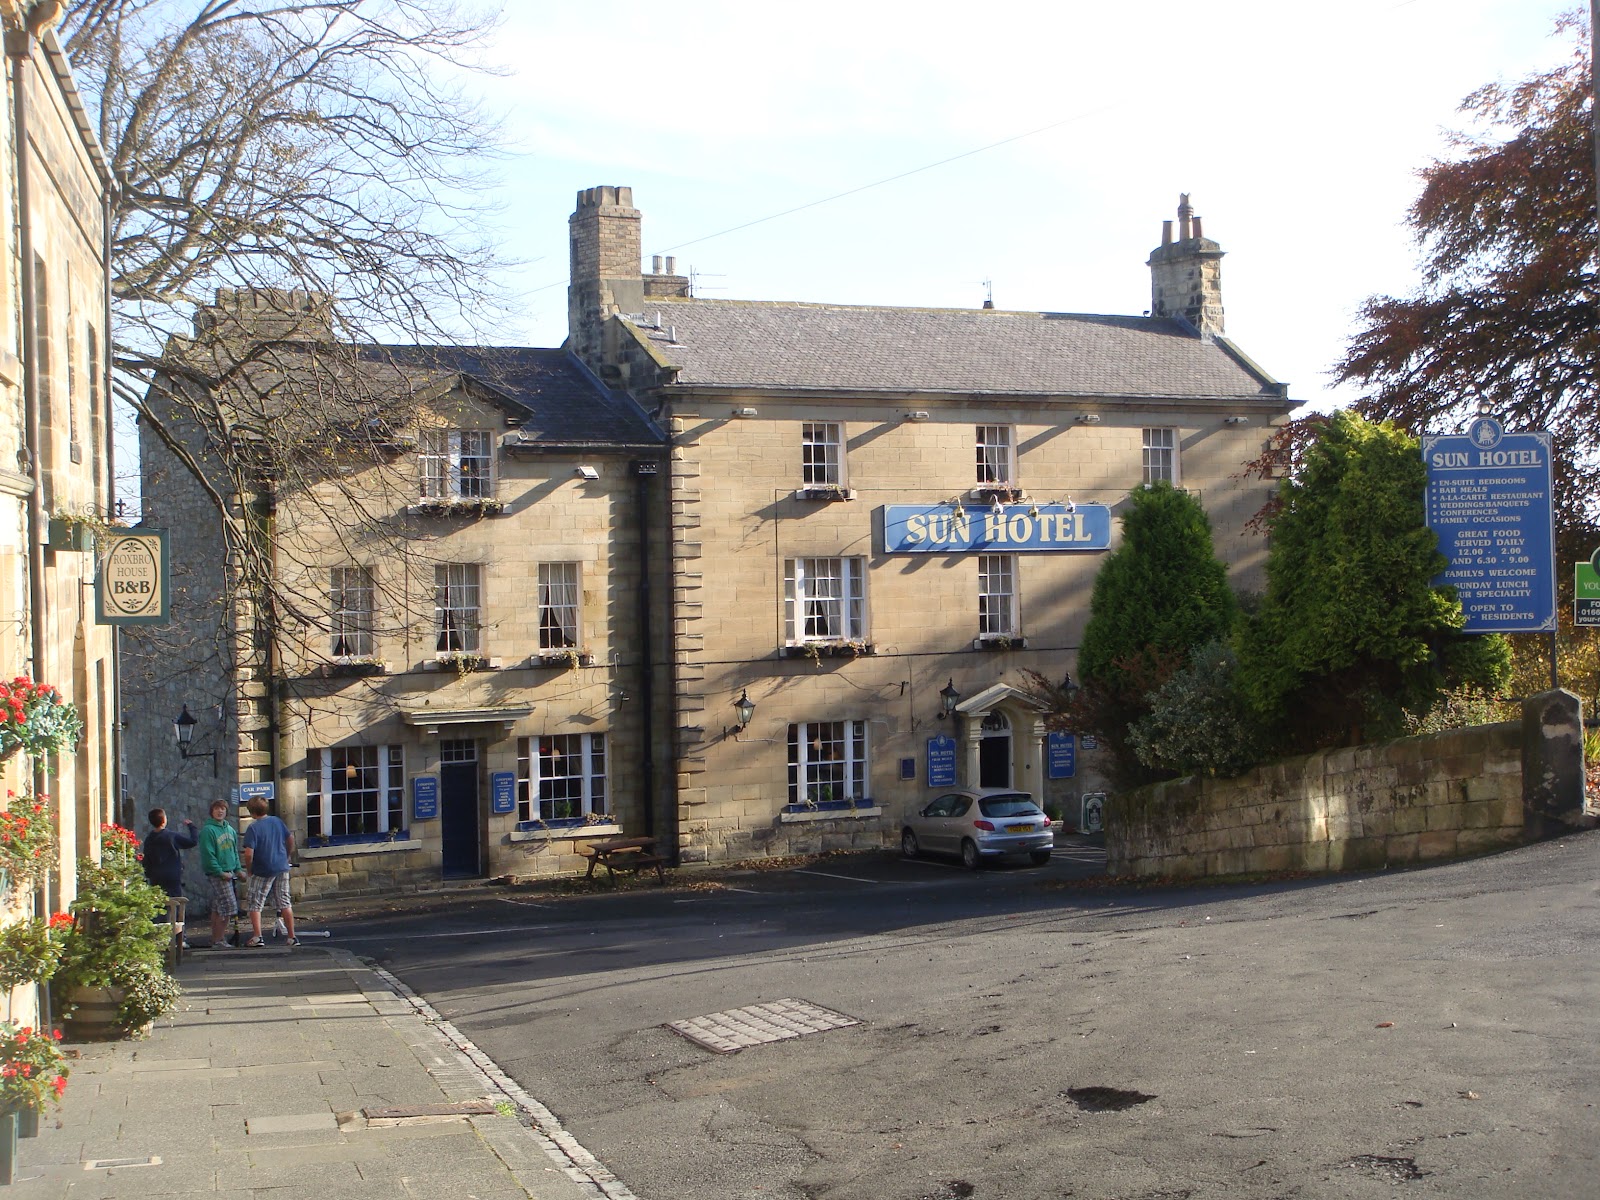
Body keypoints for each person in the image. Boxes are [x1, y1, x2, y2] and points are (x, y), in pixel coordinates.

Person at [239, 797, 298, 947]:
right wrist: (287, 855)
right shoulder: (277, 821)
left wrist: (249, 869)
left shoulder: (253, 828)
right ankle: (292, 937)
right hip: (281, 866)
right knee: (284, 902)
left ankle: (258, 936)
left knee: (255, 903)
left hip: (263, 869)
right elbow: (290, 838)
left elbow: (248, 853)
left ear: (251, 812)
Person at [142, 807, 197, 950]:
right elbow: (192, 842)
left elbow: (146, 859)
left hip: (156, 877)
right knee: (176, 906)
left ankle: (157, 939)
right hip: (172, 877)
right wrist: (192, 827)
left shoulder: (149, 839)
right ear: (164, 820)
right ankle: (179, 939)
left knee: (159, 908)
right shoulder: (171, 836)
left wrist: (148, 874)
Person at [198, 799, 242, 950]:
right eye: (217, 808)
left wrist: (238, 869)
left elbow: (233, 852)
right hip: (218, 874)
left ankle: (216, 939)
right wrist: (220, 872)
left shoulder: (230, 830)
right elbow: (208, 855)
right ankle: (219, 940)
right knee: (229, 906)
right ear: (212, 811)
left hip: (229, 872)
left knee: (218, 907)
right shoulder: (208, 830)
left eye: (223, 808)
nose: (220, 811)